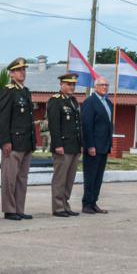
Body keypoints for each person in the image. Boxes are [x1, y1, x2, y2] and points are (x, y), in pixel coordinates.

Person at [0, 57, 35, 220]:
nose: (22, 73)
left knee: (22, 178)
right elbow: (3, 118)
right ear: (11, 73)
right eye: (19, 70)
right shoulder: (8, 91)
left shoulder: (25, 91)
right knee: (9, 178)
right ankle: (9, 209)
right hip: (13, 142)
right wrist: (5, 141)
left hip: (26, 142)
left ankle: (19, 208)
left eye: (24, 70)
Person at [47, 73, 82, 215]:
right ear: (61, 84)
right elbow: (54, 125)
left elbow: (78, 125)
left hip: (74, 146)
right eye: (69, 84)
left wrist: (80, 144)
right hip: (62, 146)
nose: (71, 87)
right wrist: (57, 145)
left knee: (69, 179)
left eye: (73, 84)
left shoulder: (73, 101)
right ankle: (58, 207)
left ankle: (65, 205)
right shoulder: (55, 101)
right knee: (60, 179)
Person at [81, 77, 113, 213]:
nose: (105, 87)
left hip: (104, 146)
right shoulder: (90, 102)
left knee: (98, 177)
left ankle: (94, 202)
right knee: (90, 176)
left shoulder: (108, 103)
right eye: (102, 85)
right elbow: (87, 126)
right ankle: (87, 204)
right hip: (93, 147)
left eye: (106, 85)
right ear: (95, 87)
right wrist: (90, 145)